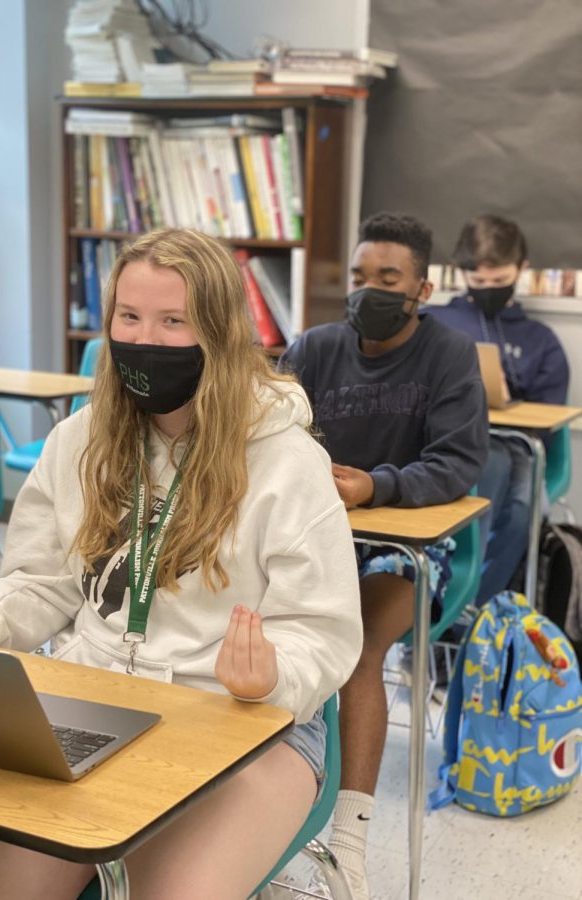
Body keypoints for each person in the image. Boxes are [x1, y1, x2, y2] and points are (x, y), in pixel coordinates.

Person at [0, 228, 363, 900]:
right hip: (95, 702)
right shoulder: (80, 440)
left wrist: (271, 672)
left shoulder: (288, 463)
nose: (144, 339)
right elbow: (40, 585)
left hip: (246, 725)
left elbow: (321, 632)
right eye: (129, 317)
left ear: (218, 331)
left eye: (172, 321)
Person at [280, 212, 489, 899]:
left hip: (410, 545)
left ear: (421, 289)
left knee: (355, 648)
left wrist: (375, 486)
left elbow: (456, 465)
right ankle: (268, 816)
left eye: (387, 279)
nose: (368, 290)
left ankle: (348, 842)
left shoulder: (449, 355)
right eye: (359, 276)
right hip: (314, 537)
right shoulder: (313, 348)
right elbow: (268, 435)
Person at [427, 214, 570, 604]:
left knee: (522, 502)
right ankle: (450, 593)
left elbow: (547, 418)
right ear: (462, 273)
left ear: (522, 270)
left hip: (515, 442)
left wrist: (509, 400)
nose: (489, 289)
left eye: (499, 279)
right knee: (489, 466)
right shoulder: (435, 323)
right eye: (479, 281)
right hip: (447, 436)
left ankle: (470, 603)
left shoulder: (541, 341)